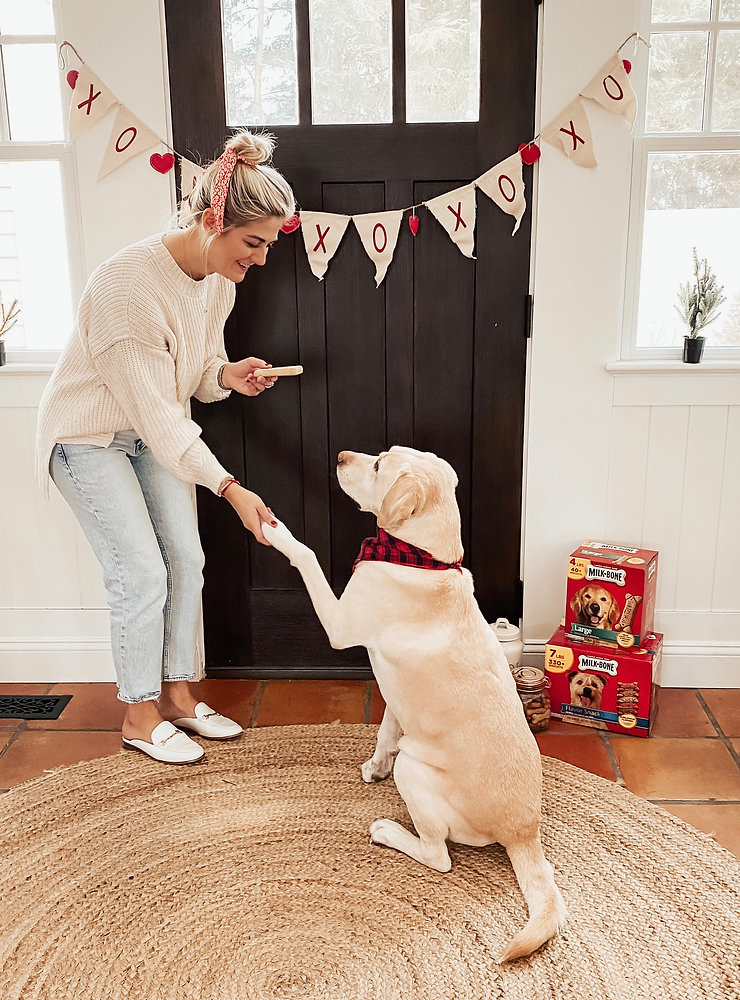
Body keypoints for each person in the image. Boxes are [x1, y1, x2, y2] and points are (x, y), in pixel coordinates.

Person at [36, 129, 296, 765]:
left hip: (154, 431)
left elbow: (194, 373)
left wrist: (226, 375)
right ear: (214, 222)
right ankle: (137, 711)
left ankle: (177, 695)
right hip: (88, 434)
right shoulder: (126, 288)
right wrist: (232, 490)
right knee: (141, 571)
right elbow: (159, 416)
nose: (261, 259)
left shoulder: (218, 281)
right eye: (253, 243)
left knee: (186, 556)